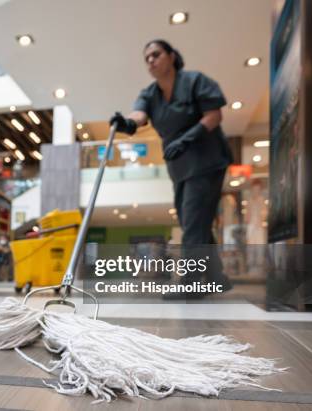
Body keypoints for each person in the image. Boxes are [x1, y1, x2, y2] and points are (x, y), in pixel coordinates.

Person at [110, 39, 233, 299]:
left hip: (206, 159)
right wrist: (126, 123)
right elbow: (139, 116)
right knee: (194, 220)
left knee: (192, 219)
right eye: (147, 58)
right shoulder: (149, 94)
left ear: (172, 56)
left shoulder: (195, 81)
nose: (151, 60)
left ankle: (190, 282)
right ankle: (216, 277)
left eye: (156, 54)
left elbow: (214, 115)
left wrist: (186, 139)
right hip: (179, 166)